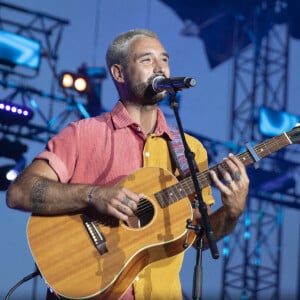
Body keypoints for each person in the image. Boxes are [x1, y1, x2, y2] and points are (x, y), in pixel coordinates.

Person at [6, 29, 249, 300]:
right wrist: (94, 195)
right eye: (147, 60)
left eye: (165, 60)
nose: (160, 67)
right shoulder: (83, 134)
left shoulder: (190, 150)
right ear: (119, 73)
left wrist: (232, 211)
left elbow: (201, 240)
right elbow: (19, 192)